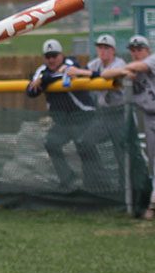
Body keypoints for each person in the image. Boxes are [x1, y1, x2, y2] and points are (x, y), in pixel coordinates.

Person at [26, 38, 104, 190]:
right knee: (51, 143)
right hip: (63, 120)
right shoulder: (41, 70)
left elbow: (64, 76)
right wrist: (41, 80)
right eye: (48, 56)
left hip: (83, 115)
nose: (51, 59)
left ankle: (98, 182)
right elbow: (30, 91)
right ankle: (67, 178)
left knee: (85, 146)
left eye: (54, 55)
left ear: (61, 55)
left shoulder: (70, 63)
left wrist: (44, 80)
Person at [100, 34, 155, 220]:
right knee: (153, 163)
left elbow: (142, 66)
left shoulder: (152, 59)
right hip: (149, 118)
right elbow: (104, 74)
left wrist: (124, 69)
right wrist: (123, 73)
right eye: (133, 50)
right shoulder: (129, 70)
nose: (137, 53)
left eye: (140, 49)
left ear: (147, 50)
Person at [64, 34, 127, 187]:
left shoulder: (120, 62)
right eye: (100, 47)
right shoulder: (95, 63)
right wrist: (70, 70)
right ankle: (99, 181)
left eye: (106, 48)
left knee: (122, 153)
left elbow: (107, 76)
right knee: (85, 142)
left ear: (113, 50)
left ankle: (125, 189)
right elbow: (80, 71)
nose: (103, 51)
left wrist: (81, 72)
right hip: (104, 115)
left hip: (121, 114)